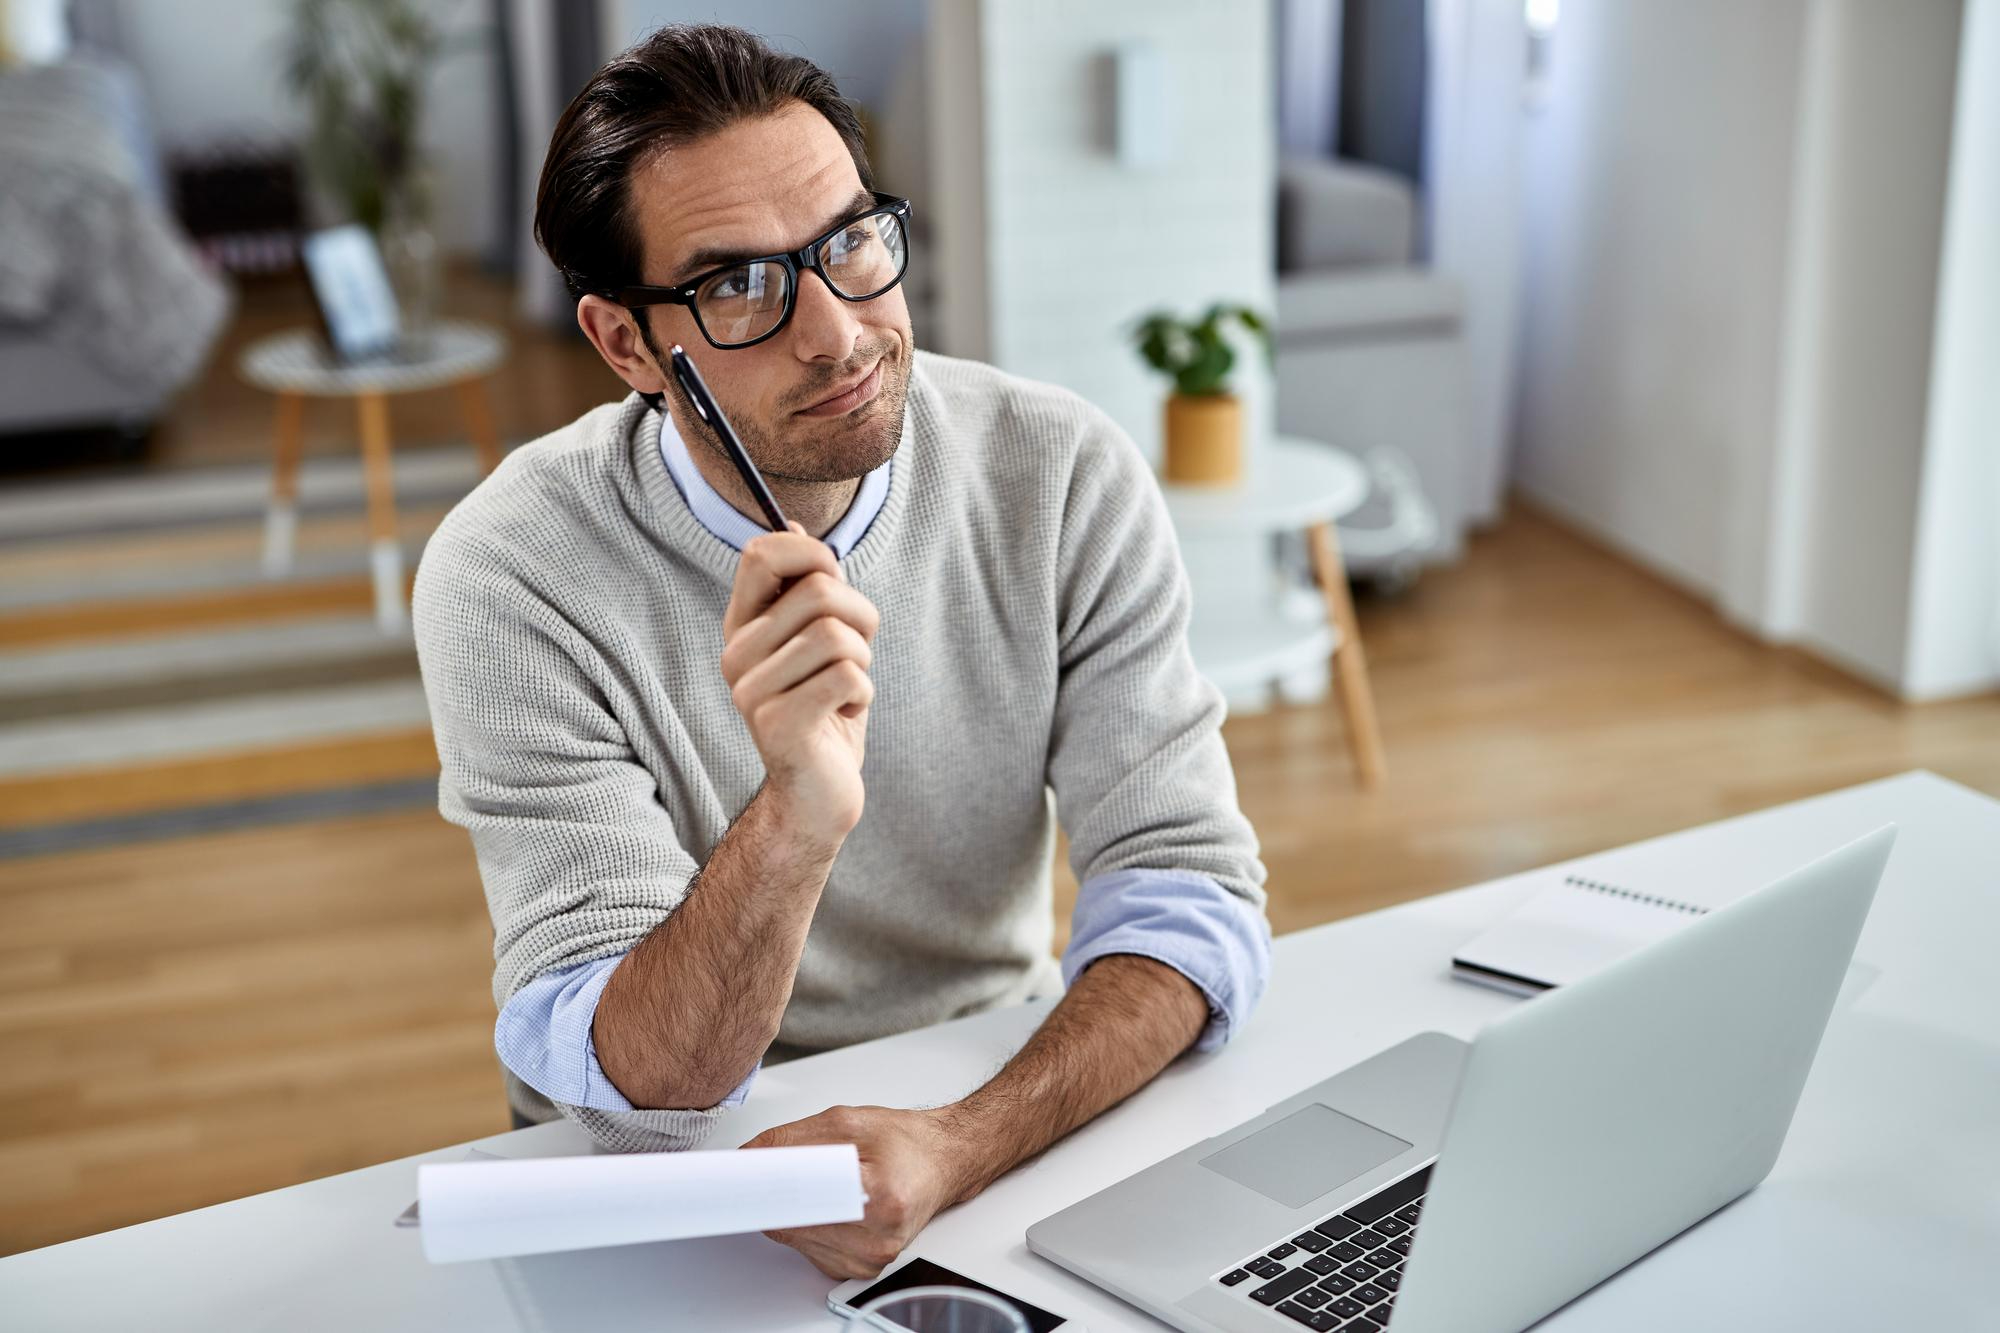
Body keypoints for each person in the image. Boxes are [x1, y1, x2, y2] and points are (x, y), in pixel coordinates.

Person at [412, 23, 1270, 1281]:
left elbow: (1190, 898)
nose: (835, 332)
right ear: (627, 347)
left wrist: (959, 1142)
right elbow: (642, 1094)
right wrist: (797, 812)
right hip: (660, 1183)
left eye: (849, 243)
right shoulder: (510, 573)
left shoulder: (1059, 470)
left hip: (991, 1099)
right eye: (737, 287)